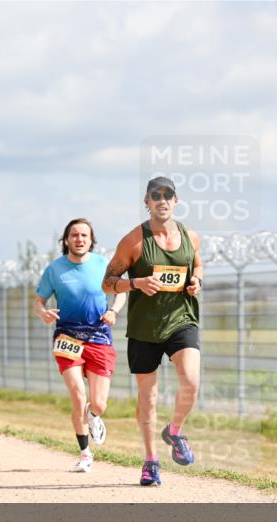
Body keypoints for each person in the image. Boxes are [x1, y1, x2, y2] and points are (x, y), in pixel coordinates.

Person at [103, 177, 203, 486]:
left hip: (181, 319)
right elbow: (108, 282)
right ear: (146, 201)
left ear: (175, 200)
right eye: (155, 195)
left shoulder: (191, 236)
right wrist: (136, 283)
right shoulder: (133, 241)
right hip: (144, 328)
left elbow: (197, 266)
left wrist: (197, 281)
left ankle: (174, 431)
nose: (162, 200)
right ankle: (150, 460)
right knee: (149, 397)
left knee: (191, 380)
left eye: (168, 195)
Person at [35, 219, 126, 473]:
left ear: (91, 239)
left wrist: (114, 312)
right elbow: (38, 300)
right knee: (77, 394)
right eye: (74, 235)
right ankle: (85, 453)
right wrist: (43, 312)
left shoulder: (103, 265)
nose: (79, 239)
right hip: (67, 337)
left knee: (98, 404)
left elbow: (121, 292)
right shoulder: (55, 269)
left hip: (99, 336)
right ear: (66, 240)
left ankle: (93, 414)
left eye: (84, 235)